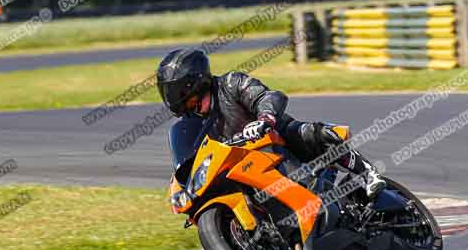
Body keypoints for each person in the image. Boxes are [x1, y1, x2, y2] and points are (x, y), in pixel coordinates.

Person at [156, 48, 386, 199]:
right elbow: (193, 158)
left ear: (193, 82)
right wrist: (180, 185)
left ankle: (366, 172)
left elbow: (269, 96)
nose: (174, 97)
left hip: (276, 142)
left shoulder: (231, 83)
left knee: (304, 132)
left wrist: (264, 119)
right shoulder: (193, 123)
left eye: (176, 90)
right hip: (246, 169)